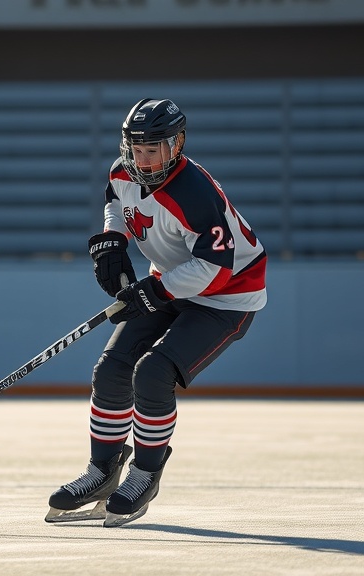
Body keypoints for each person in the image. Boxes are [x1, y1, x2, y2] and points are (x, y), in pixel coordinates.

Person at [46, 98, 267, 527]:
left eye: (153, 150)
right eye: (136, 149)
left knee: (152, 372)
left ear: (177, 144)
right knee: (111, 369)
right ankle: (102, 472)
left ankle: (145, 474)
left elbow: (215, 269)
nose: (142, 161)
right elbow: (115, 199)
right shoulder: (122, 170)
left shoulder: (197, 193)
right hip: (169, 283)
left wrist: (155, 291)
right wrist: (113, 238)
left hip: (227, 297)